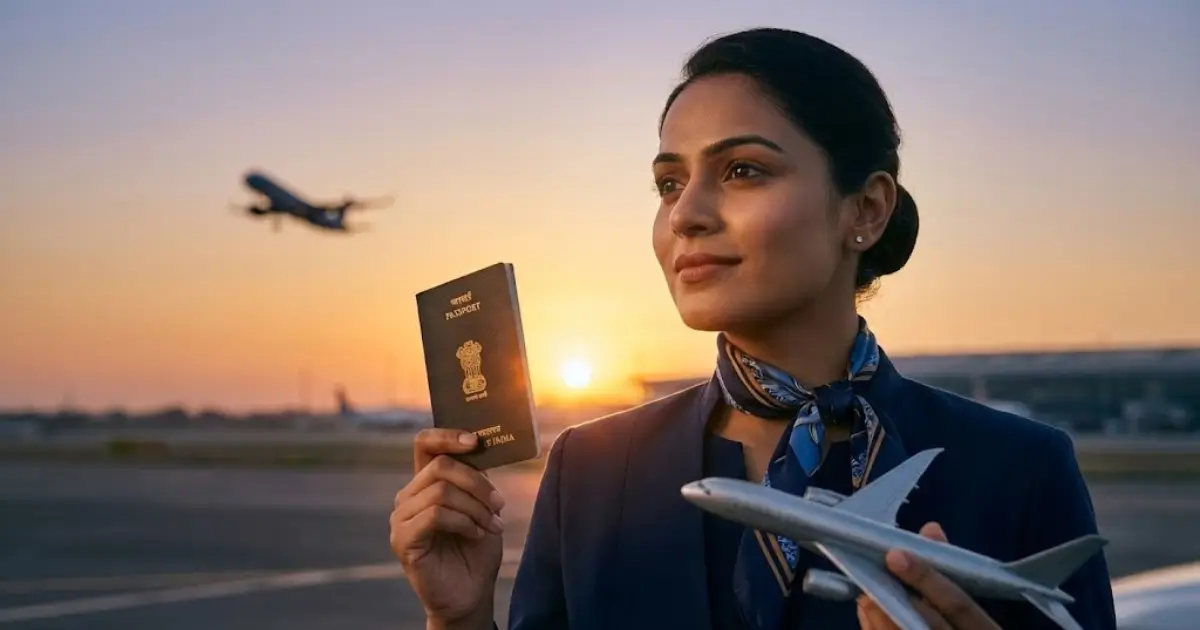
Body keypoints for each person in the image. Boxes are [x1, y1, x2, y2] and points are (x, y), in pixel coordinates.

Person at [389, 27, 1117, 630]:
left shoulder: (1022, 469)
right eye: (669, 183)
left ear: (865, 211)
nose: (685, 215)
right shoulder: (588, 469)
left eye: (741, 170)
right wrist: (458, 619)